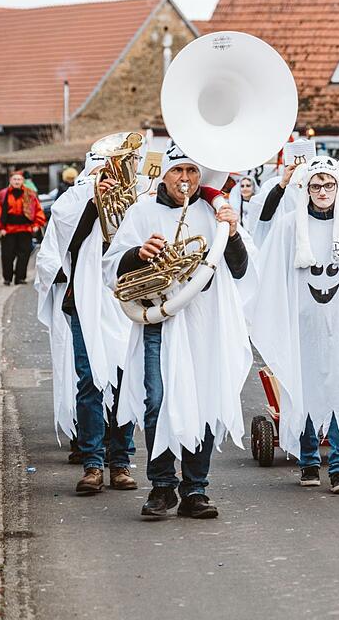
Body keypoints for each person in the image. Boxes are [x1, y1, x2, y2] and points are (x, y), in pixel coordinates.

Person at [104, 144, 254, 519]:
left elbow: (239, 269)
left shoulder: (214, 212)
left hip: (202, 323)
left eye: (192, 171)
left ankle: (195, 490)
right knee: (157, 402)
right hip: (160, 319)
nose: (185, 179)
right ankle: (162, 487)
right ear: (165, 174)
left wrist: (232, 233)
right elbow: (111, 268)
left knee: (200, 401)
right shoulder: (141, 211)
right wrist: (138, 254)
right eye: (177, 171)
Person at [252, 156, 339, 494]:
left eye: (329, 185)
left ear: (338, 187)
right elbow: (270, 275)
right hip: (304, 324)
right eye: (316, 185)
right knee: (304, 389)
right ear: (306, 189)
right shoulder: (289, 227)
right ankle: (308, 461)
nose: (323, 191)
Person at [35, 152, 136, 494]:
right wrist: (95, 204)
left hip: (122, 300)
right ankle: (93, 462)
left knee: (125, 381)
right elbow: (66, 246)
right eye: (102, 169)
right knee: (90, 380)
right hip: (84, 301)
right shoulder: (72, 200)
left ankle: (120, 461)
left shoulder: (134, 199)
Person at [0, 170, 46, 285]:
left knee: (24, 255)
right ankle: (7, 278)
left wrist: (36, 225)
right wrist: (0, 228)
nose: (17, 181)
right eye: (14, 179)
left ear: (23, 181)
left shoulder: (30, 194)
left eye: (19, 179)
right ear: (10, 180)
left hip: (25, 229)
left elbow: (37, 210)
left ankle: (20, 278)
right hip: (8, 230)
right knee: (7, 255)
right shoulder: (3, 194)